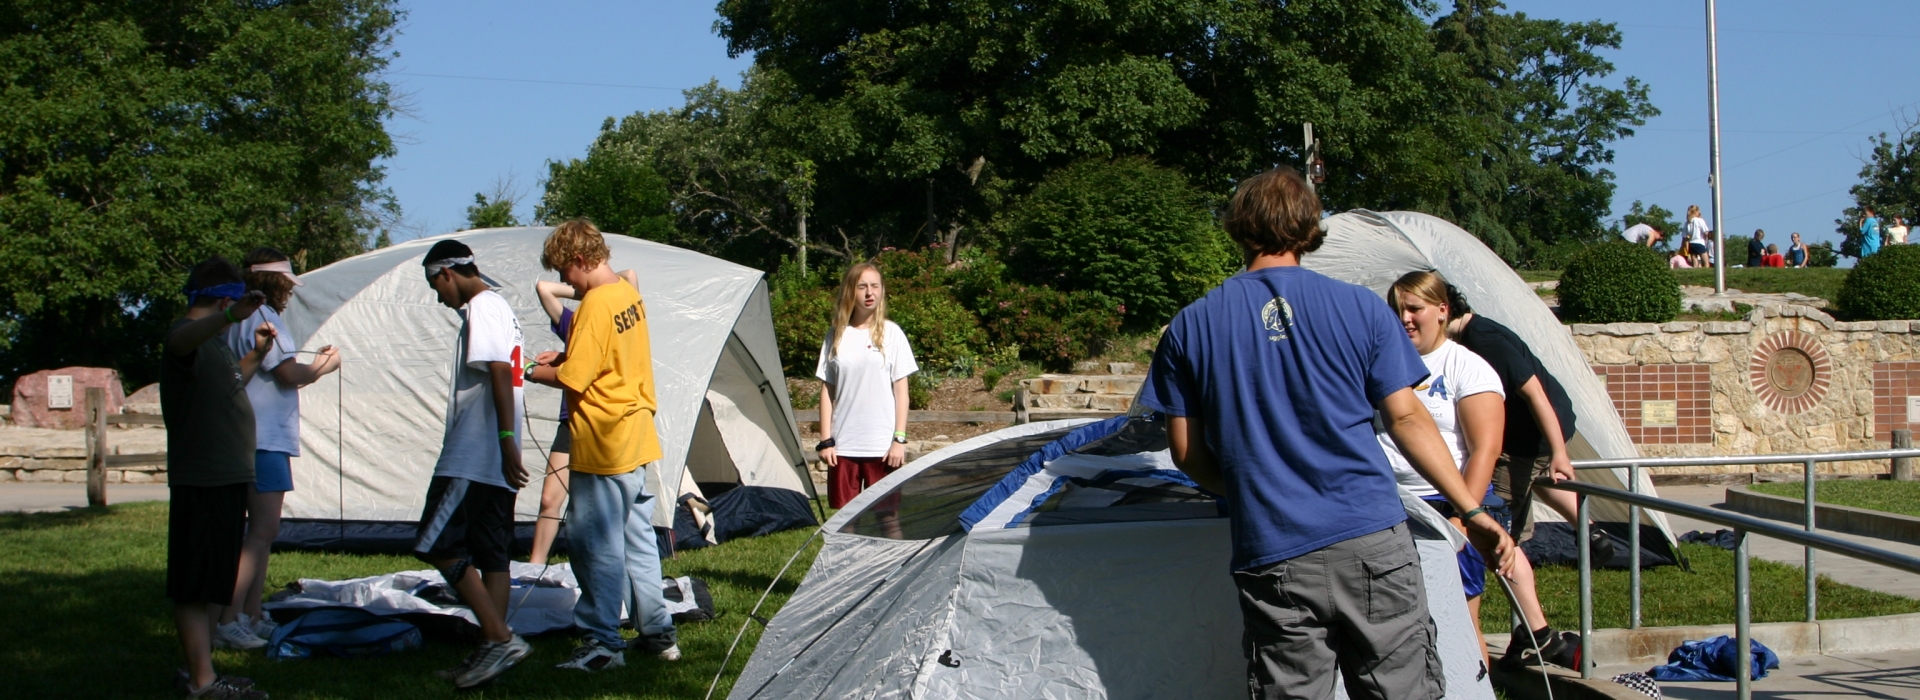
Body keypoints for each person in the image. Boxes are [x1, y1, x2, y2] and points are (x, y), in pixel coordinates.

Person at [1138, 166, 1515, 699]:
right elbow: (1407, 419)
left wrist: (1252, 490)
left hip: (1272, 548)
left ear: (1238, 227)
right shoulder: (1362, 307)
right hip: (1371, 536)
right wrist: (1472, 513)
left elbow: (1186, 454)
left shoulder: (1190, 325)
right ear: (1310, 228)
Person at [1385, 272, 1576, 670]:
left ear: (1442, 311)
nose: (1404, 318)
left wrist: (1462, 515)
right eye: (1397, 309)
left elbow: (1484, 450)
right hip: (1386, 506)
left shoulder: (1469, 366)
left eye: (1414, 309)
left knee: (1456, 622)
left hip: (1444, 505)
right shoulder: (1379, 362)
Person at [527, 220, 680, 671]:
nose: (564, 283)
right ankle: (658, 632)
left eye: (564, 272)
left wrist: (533, 372)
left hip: (603, 440)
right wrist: (566, 356)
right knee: (637, 541)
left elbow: (575, 379)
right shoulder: (628, 295)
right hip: (635, 437)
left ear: (578, 260)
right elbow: (603, 358)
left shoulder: (595, 304)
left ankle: (601, 644)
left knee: (594, 543)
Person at [415, 240, 532, 688]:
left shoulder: (482, 306)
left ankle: (501, 638)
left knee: (435, 544)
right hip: (495, 458)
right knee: (492, 555)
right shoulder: (500, 307)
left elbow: (500, 370)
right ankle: (491, 648)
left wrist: (504, 440)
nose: (437, 296)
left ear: (448, 273)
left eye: (434, 284)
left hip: (474, 453)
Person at [212, 248, 341, 651]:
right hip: (264, 437)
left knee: (255, 533)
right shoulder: (265, 316)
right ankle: (229, 619)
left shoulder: (232, 317)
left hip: (240, 434)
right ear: (277, 282)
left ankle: (250, 614)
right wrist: (324, 365)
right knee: (263, 530)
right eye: (287, 283)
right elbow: (289, 373)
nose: (289, 292)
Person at [164, 258, 274, 700]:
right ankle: (203, 683)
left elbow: (228, 385)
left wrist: (256, 355)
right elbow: (178, 341)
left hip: (227, 476)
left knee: (212, 579)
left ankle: (202, 670)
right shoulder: (186, 335)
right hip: (203, 477)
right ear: (226, 301)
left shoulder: (218, 347)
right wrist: (227, 318)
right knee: (194, 583)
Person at [1444, 288, 1605, 558]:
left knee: (1500, 517)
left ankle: (1512, 553)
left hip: (1530, 437)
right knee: (1539, 479)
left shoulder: (1485, 340)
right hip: (1547, 425)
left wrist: (1559, 453)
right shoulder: (1477, 331)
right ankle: (1593, 534)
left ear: (1444, 310)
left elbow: (1535, 393)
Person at [526, 268, 639, 565]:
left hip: (602, 421)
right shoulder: (574, 320)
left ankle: (610, 566)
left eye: (568, 273)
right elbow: (544, 288)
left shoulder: (609, 308)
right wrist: (586, 293)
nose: (566, 280)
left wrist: (597, 290)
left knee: (600, 504)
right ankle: (535, 564)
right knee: (551, 497)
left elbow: (629, 276)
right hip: (572, 419)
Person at [814, 263, 917, 515]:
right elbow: (827, 391)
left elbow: (901, 392)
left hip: (882, 448)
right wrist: (826, 441)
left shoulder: (893, 334)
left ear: (882, 291)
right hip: (843, 448)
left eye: (875, 286)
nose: (870, 293)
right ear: (851, 291)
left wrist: (899, 439)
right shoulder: (836, 335)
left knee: (887, 520)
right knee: (844, 522)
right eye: (862, 287)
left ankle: (887, 557)